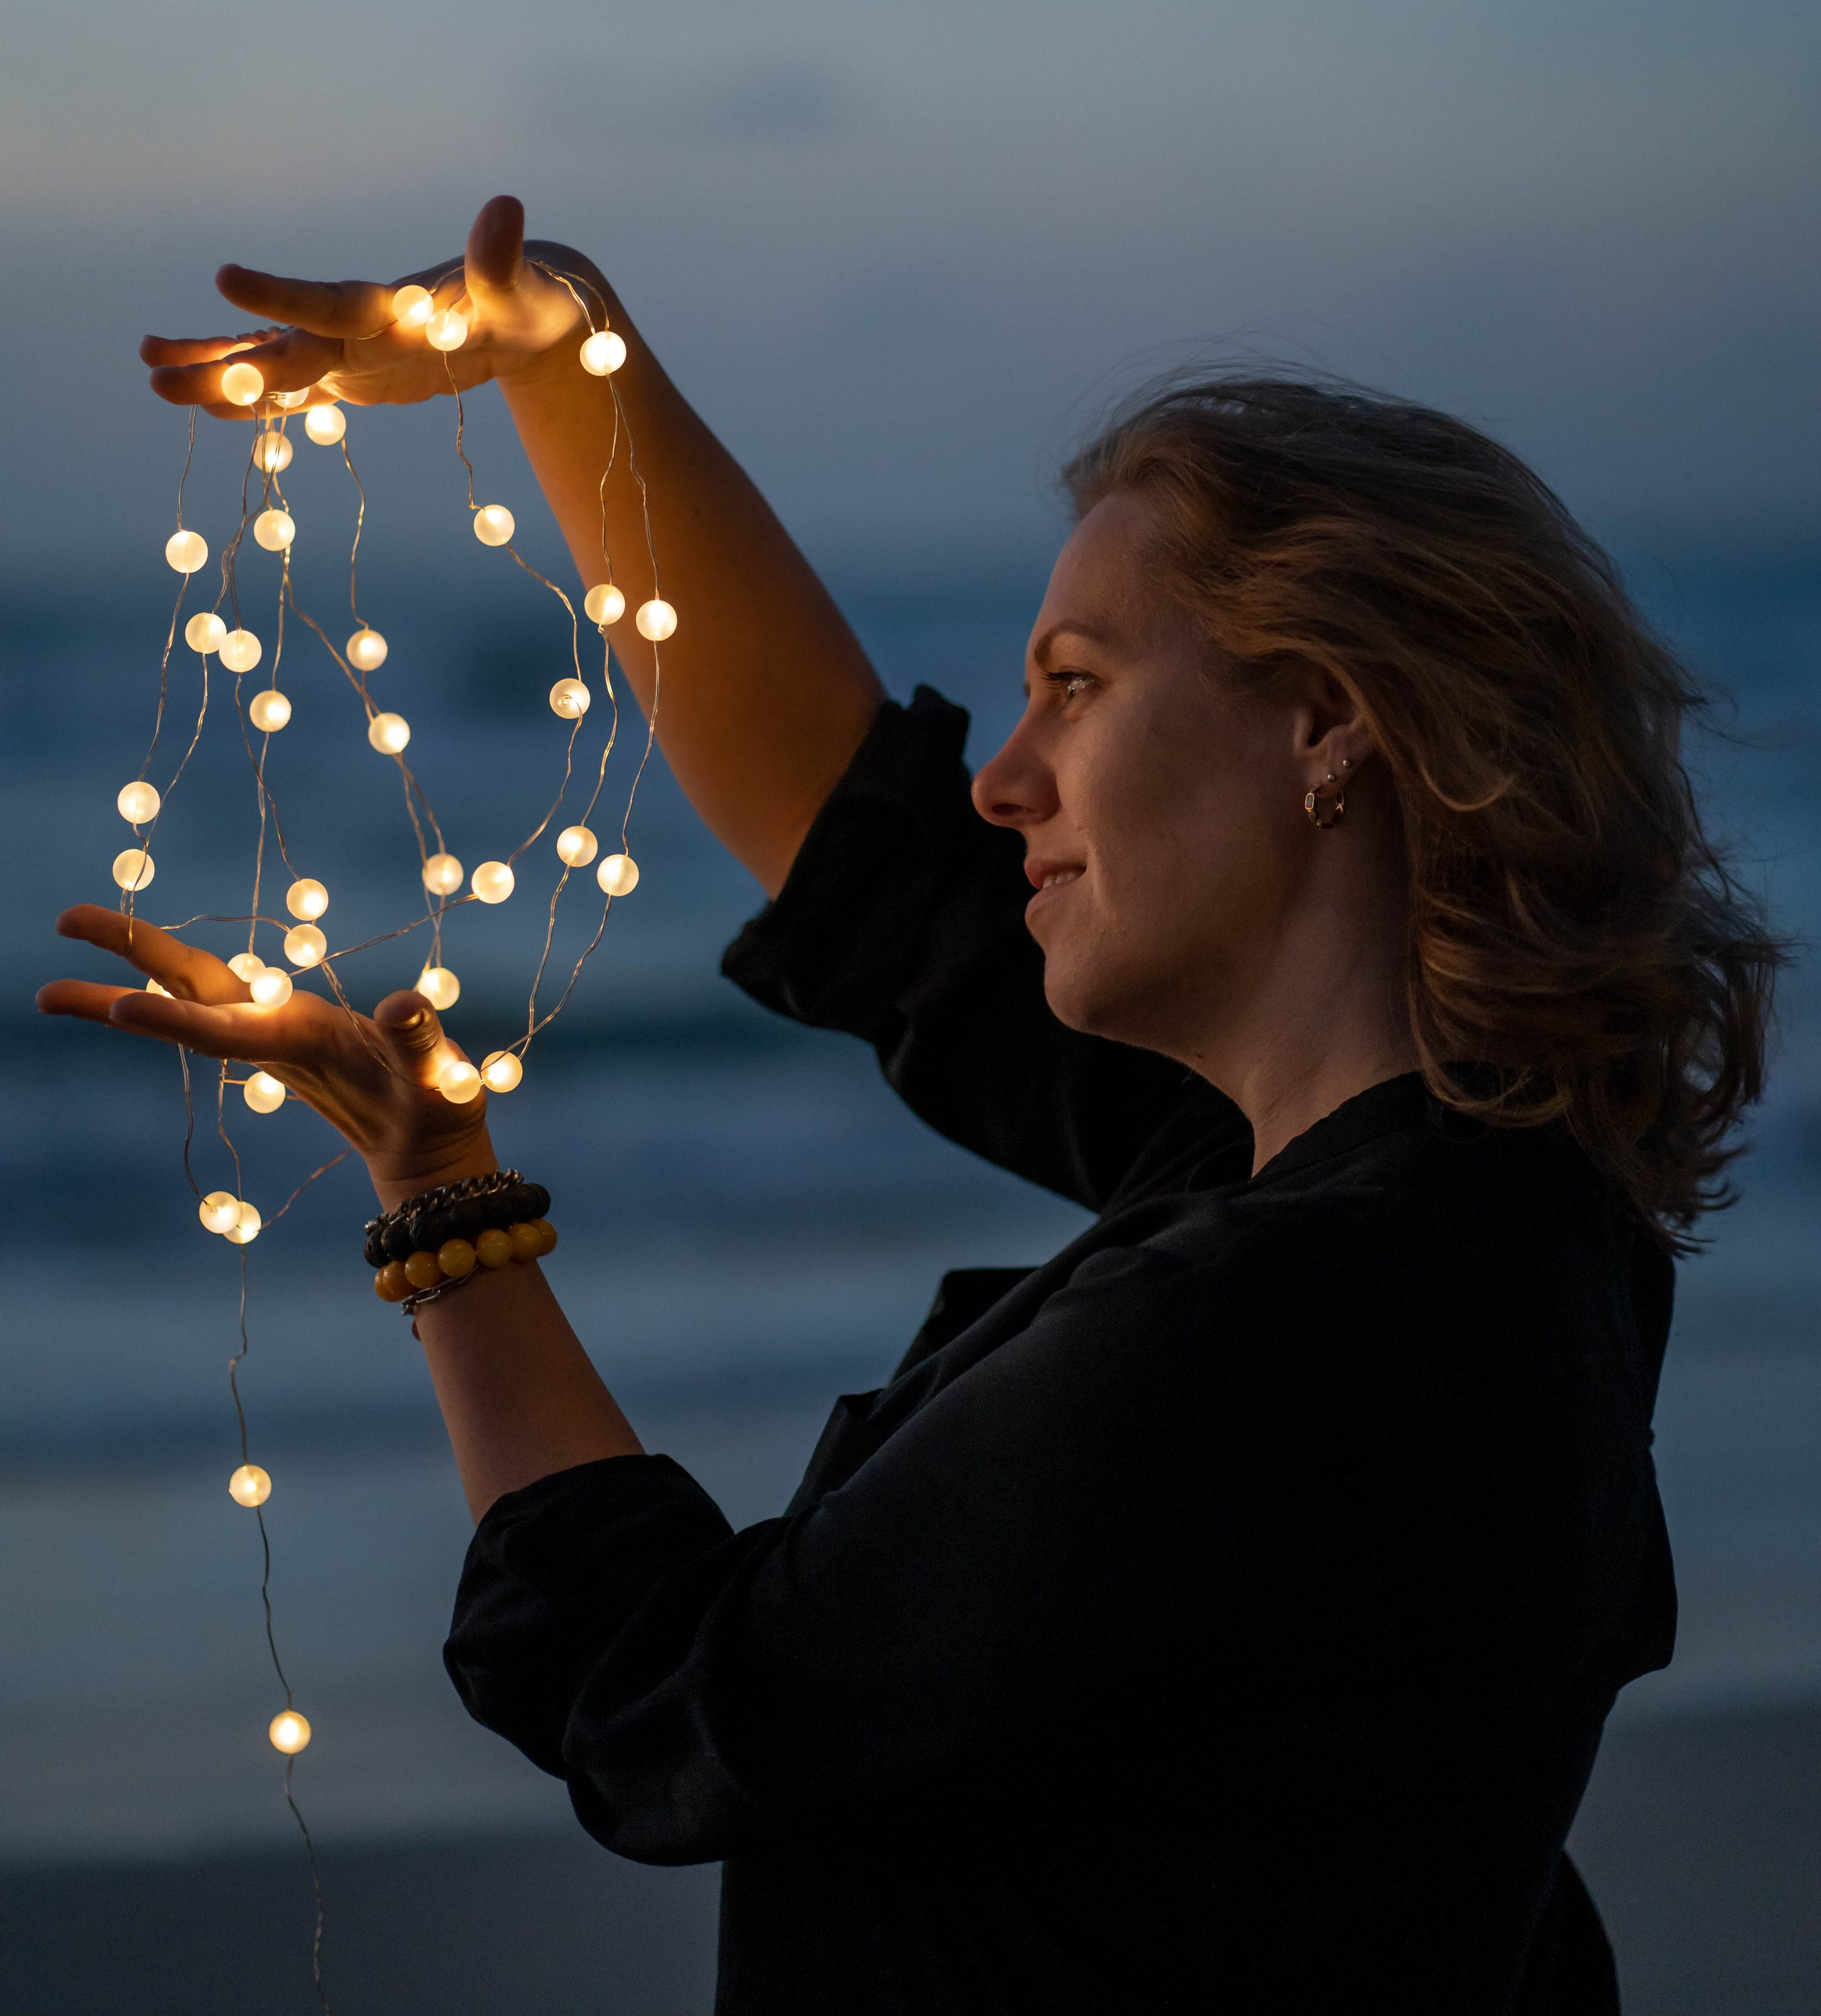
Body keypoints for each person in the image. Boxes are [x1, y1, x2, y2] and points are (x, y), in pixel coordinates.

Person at [41, 197, 1780, 2013]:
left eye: (1074, 690)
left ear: (1324, 720)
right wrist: (564, 365)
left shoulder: (1281, 1321)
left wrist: (438, 1203)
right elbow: (856, 855)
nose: (1003, 778)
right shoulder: (1470, 1207)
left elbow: (675, 1700)